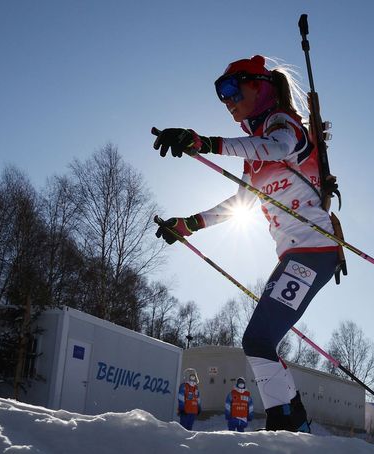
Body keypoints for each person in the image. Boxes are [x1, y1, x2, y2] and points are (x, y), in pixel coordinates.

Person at [152, 55, 340, 432]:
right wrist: (188, 224)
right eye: (221, 95)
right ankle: (289, 420)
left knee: (257, 338)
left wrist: (205, 142)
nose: (228, 101)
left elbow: (277, 148)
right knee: (258, 341)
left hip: (315, 251)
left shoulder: (283, 124)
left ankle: (287, 420)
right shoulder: (253, 155)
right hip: (294, 255)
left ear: (260, 84)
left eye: (232, 89)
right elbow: (238, 206)